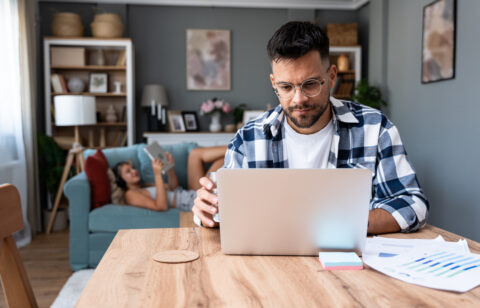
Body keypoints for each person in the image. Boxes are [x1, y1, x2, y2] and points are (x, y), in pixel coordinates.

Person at [192, 21, 429, 234]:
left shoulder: (375, 128)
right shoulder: (248, 138)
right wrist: (207, 211)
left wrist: (349, 224)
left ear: (332, 76)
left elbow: (413, 204)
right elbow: (225, 211)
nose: (299, 99)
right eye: (286, 87)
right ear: (274, 83)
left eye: (311, 84)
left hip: (352, 270)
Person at [114, 145, 226, 211]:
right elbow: (161, 206)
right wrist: (157, 174)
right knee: (222, 161)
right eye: (128, 171)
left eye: (132, 168)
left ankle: (237, 145)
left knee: (195, 154)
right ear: (121, 179)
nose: (134, 171)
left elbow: (173, 187)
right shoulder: (129, 194)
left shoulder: (144, 186)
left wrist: (169, 168)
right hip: (193, 201)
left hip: (190, 192)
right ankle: (238, 147)